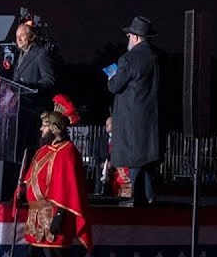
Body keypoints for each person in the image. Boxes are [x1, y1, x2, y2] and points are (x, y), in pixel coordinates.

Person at [19, 99, 92, 255]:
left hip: (53, 220)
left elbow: (68, 189)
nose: (40, 129)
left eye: (44, 126)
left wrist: (59, 215)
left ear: (55, 128)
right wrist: (23, 191)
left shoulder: (68, 152)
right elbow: (31, 176)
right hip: (35, 220)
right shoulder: (42, 150)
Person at [106, 15, 161, 206]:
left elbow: (114, 86)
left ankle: (138, 199)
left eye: (129, 36)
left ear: (136, 37)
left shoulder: (128, 59)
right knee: (146, 161)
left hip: (132, 120)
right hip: (152, 119)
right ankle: (149, 196)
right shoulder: (158, 57)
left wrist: (110, 78)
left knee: (136, 160)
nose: (128, 40)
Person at [13, 21, 59, 159]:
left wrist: (30, 87)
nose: (19, 39)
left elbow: (49, 80)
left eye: (22, 35)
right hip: (18, 109)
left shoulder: (40, 53)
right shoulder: (18, 56)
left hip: (33, 108)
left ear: (31, 37)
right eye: (17, 37)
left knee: (31, 146)